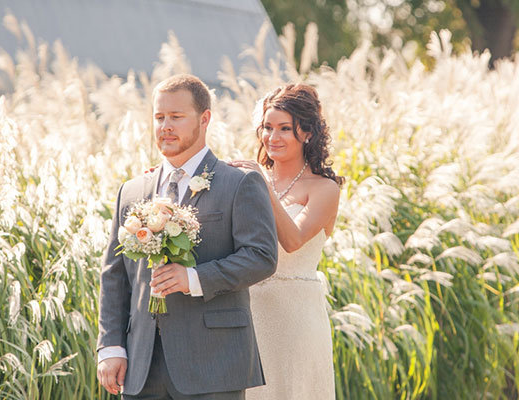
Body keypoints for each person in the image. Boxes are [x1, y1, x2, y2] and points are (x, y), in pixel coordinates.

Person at [96, 74, 278, 399]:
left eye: (176, 117)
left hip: (214, 364)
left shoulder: (239, 183)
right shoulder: (132, 191)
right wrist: (111, 346)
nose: (165, 126)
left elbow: (261, 257)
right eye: (159, 117)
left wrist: (193, 278)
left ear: (204, 118)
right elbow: (115, 275)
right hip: (141, 365)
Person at [230, 84, 343, 400]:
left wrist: (260, 184)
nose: (272, 137)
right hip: (246, 314)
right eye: (267, 127)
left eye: (284, 129)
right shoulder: (247, 180)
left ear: (307, 132)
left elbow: (293, 239)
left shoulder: (324, 189)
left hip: (296, 319)